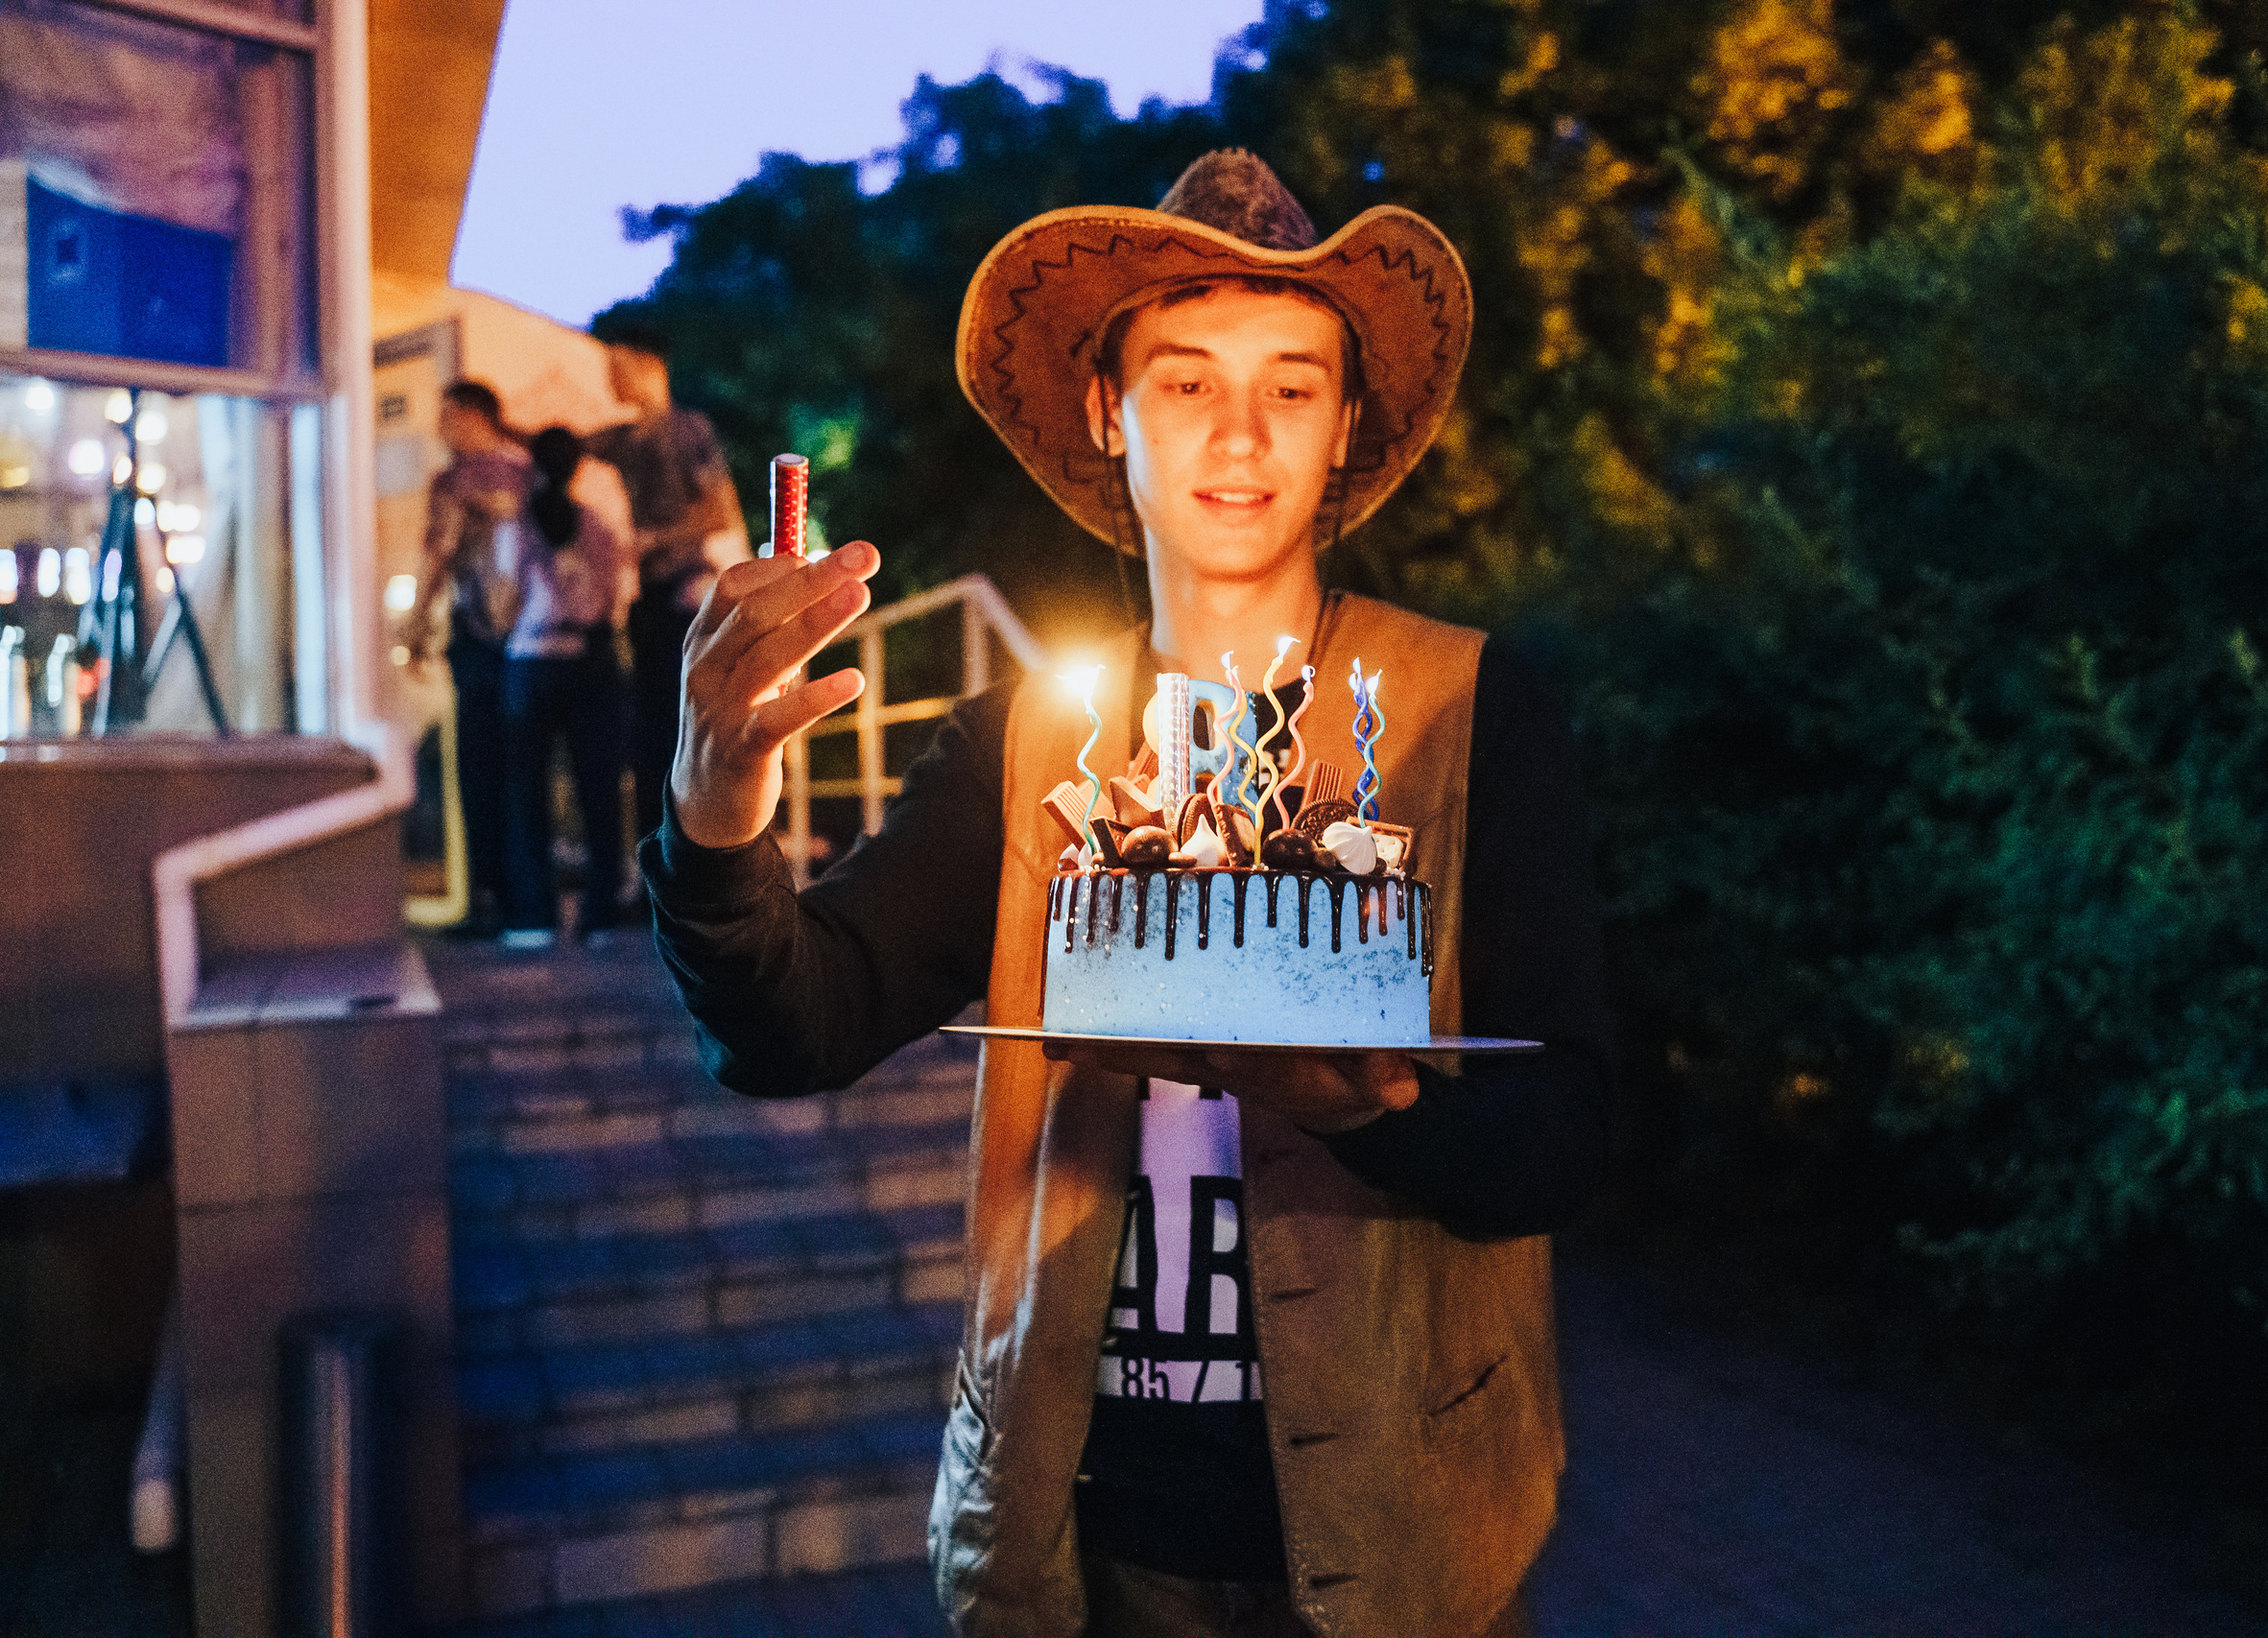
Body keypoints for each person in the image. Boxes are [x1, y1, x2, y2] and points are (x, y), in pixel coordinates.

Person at [642, 152, 1614, 1636]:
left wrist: (1370, 1101)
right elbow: (798, 1023)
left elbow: (1575, 1137)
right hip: (1091, 1550)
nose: (1240, 433)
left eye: (1292, 385)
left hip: (1409, 1548)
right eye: (1185, 380)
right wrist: (718, 816)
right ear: (1110, 409)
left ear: (1347, 418)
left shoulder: (1469, 715)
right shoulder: (1031, 745)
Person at [583, 324, 747, 852]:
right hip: (650, 603)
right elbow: (559, 444)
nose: (608, 376)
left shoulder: (689, 430)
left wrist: (656, 537)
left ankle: (691, 856)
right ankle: (659, 862)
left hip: (682, 595)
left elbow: (721, 510)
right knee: (650, 734)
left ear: (647, 364)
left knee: (680, 731)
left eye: (615, 364)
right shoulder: (623, 441)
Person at [407, 379, 529, 937]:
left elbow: (439, 555)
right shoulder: (534, 474)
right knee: (518, 771)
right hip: (532, 637)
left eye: (446, 416)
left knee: (478, 770)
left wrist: (413, 624)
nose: (440, 428)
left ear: (472, 416)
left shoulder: (455, 481)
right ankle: (526, 901)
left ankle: (486, 900)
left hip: (479, 636)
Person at [500, 427, 627, 948]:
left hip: (530, 660)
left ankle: (533, 915)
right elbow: (614, 598)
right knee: (597, 788)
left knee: (525, 789)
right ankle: (600, 913)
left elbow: (505, 597)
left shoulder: (517, 526)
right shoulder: (597, 526)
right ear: (578, 469)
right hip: (589, 661)